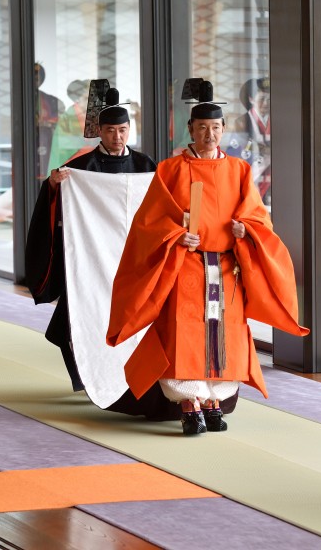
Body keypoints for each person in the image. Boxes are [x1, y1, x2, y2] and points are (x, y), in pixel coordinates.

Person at [106, 81, 308, 435]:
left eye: (215, 128)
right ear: (191, 130)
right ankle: (188, 400)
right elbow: (148, 222)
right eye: (202, 128)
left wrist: (247, 230)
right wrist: (175, 235)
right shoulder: (170, 170)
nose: (209, 134)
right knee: (184, 332)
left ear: (224, 129)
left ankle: (214, 400)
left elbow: (258, 217)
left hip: (226, 266)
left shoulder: (240, 170)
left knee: (225, 335)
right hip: (186, 264)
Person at [25, 85, 156, 395]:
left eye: (122, 130)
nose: (117, 137)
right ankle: (83, 373)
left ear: (129, 129)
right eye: (110, 130)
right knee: (75, 319)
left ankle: (128, 375)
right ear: (100, 130)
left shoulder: (146, 166)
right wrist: (54, 186)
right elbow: (56, 201)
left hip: (131, 259)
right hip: (92, 257)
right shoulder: (81, 168)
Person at [47, 78, 96, 172]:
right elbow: (64, 144)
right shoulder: (68, 116)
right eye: (87, 98)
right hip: (72, 165)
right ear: (77, 99)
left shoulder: (92, 114)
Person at [34, 63, 65, 180]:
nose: (35, 81)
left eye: (37, 78)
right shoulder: (20, 99)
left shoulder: (51, 101)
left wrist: (47, 123)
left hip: (46, 139)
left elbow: (60, 119)